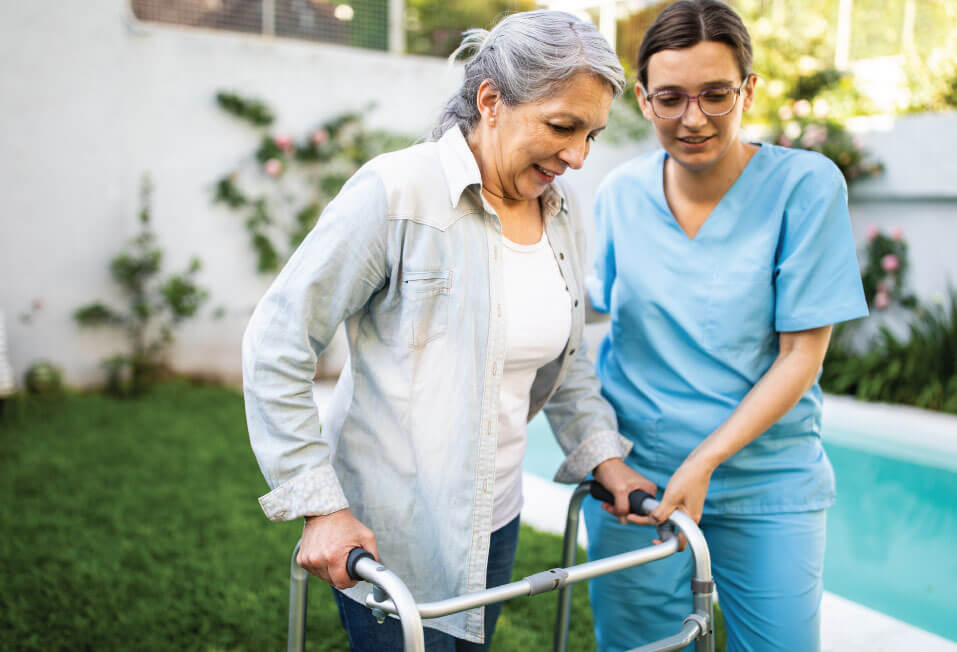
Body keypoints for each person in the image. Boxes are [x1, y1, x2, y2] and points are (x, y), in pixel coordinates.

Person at [243, 10, 653, 651]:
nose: (577, 156)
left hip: (499, 518)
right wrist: (323, 508)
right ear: (491, 100)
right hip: (392, 532)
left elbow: (562, 356)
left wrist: (605, 456)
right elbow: (278, 343)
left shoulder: (561, 211)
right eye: (562, 126)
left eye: (592, 135)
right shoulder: (395, 192)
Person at [584, 1, 869, 650]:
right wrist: (604, 458)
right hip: (638, 489)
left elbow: (801, 355)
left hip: (767, 485)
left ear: (748, 89)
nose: (693, 119)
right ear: (642, 98)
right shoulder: (617, 196)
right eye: (670, 98)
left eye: (715, 95)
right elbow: (585, 325)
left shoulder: (805, 186)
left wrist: (706, 460)